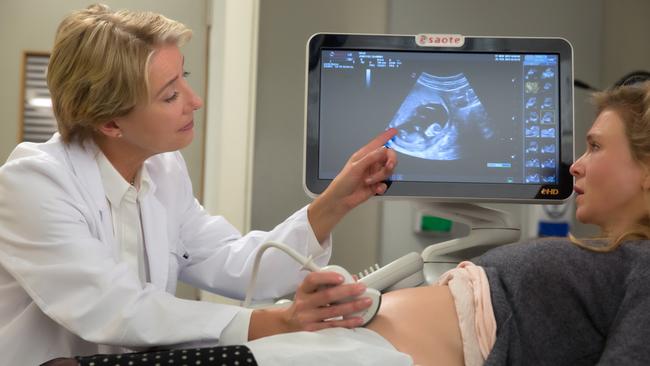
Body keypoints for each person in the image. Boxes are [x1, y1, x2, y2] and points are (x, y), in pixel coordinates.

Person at [0, 4, 397, 365]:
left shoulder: (162, 170)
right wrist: (274, 322)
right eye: (170, 94)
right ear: (110, 123)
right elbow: (115, 309)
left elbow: (235, 264)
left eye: (183, 77)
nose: (195, 100)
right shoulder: (34, 182)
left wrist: (334, 203)